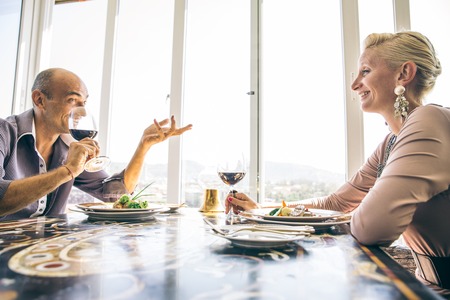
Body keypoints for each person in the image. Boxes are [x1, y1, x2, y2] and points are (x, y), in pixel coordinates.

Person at [226, 31, 450, 297]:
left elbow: (372, 228)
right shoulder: (391, 142)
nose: (355, 85)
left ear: (404, 74)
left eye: (365, 71)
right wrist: (262, 210)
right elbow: (334, 203)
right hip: (422, 286)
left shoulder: (430, 119)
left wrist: (346, 219)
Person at [0, 68, 192, 220]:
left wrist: (144, 145)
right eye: (72, 100)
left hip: (47, 252)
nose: (82, 111)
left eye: (83, 103)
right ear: (40, 100)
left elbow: (113, 192)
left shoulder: (68, 146)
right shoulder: (4, 132)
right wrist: (67, 171)